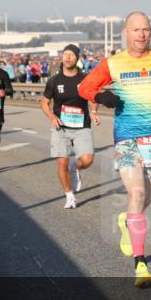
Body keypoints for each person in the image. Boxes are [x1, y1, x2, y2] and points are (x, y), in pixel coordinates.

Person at [78, 11, 151, 288]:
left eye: (146, 29)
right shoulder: (113, 62)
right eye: (136, 29)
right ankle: (141, 264)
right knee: (137, 193)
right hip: (126, 138)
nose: (142, 34)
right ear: (126, 33)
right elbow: (85, 87)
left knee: (145, 199)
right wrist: (101, 95)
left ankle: (126, 220)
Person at [40, 44, 98, 208]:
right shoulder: (54, 80)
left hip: (82, 125)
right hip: (61, 127)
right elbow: (44, 102)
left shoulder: (85, 79)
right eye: (65, 54)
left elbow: (93, 98)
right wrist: (52, 117)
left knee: (87, 160)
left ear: (77, 58)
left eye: (71, 55)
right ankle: (69, 195)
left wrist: (93, 111)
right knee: (61, 163)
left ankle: (76, 167)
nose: (67, 57)